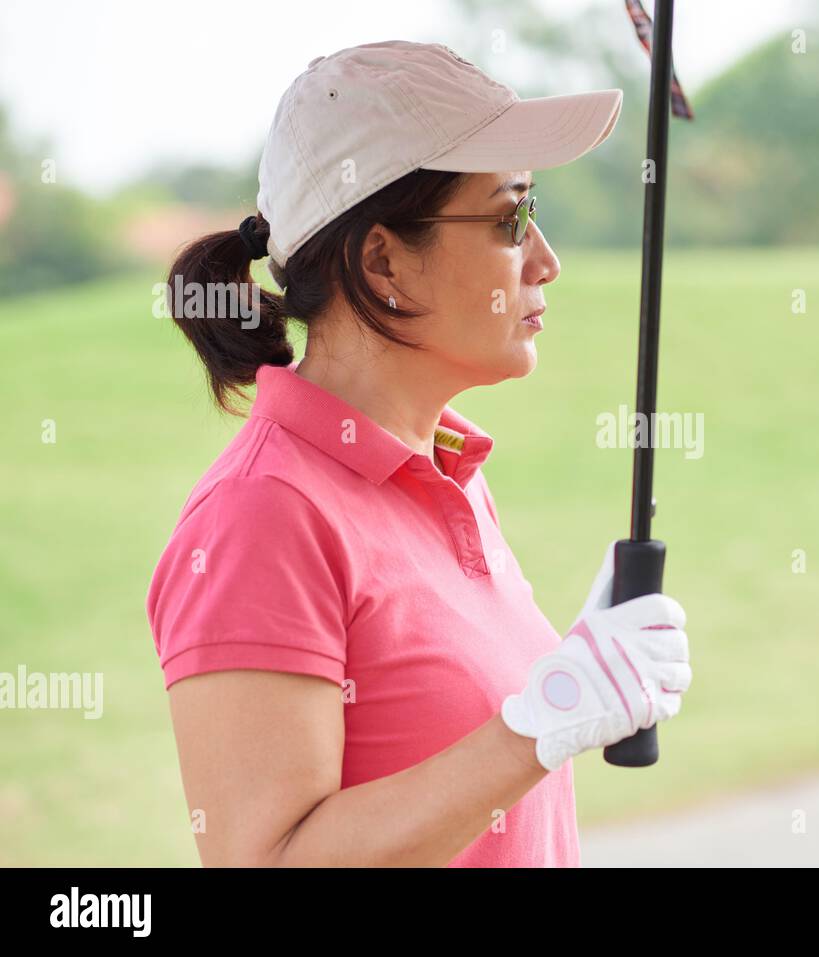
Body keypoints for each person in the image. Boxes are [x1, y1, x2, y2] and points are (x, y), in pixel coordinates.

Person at [145, 40, 691, 868]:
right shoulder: (260, 515)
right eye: (511, 218)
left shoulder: (451, 477)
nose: (546, 261)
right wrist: (543, 720)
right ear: (383, 261)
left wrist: (565, 685)